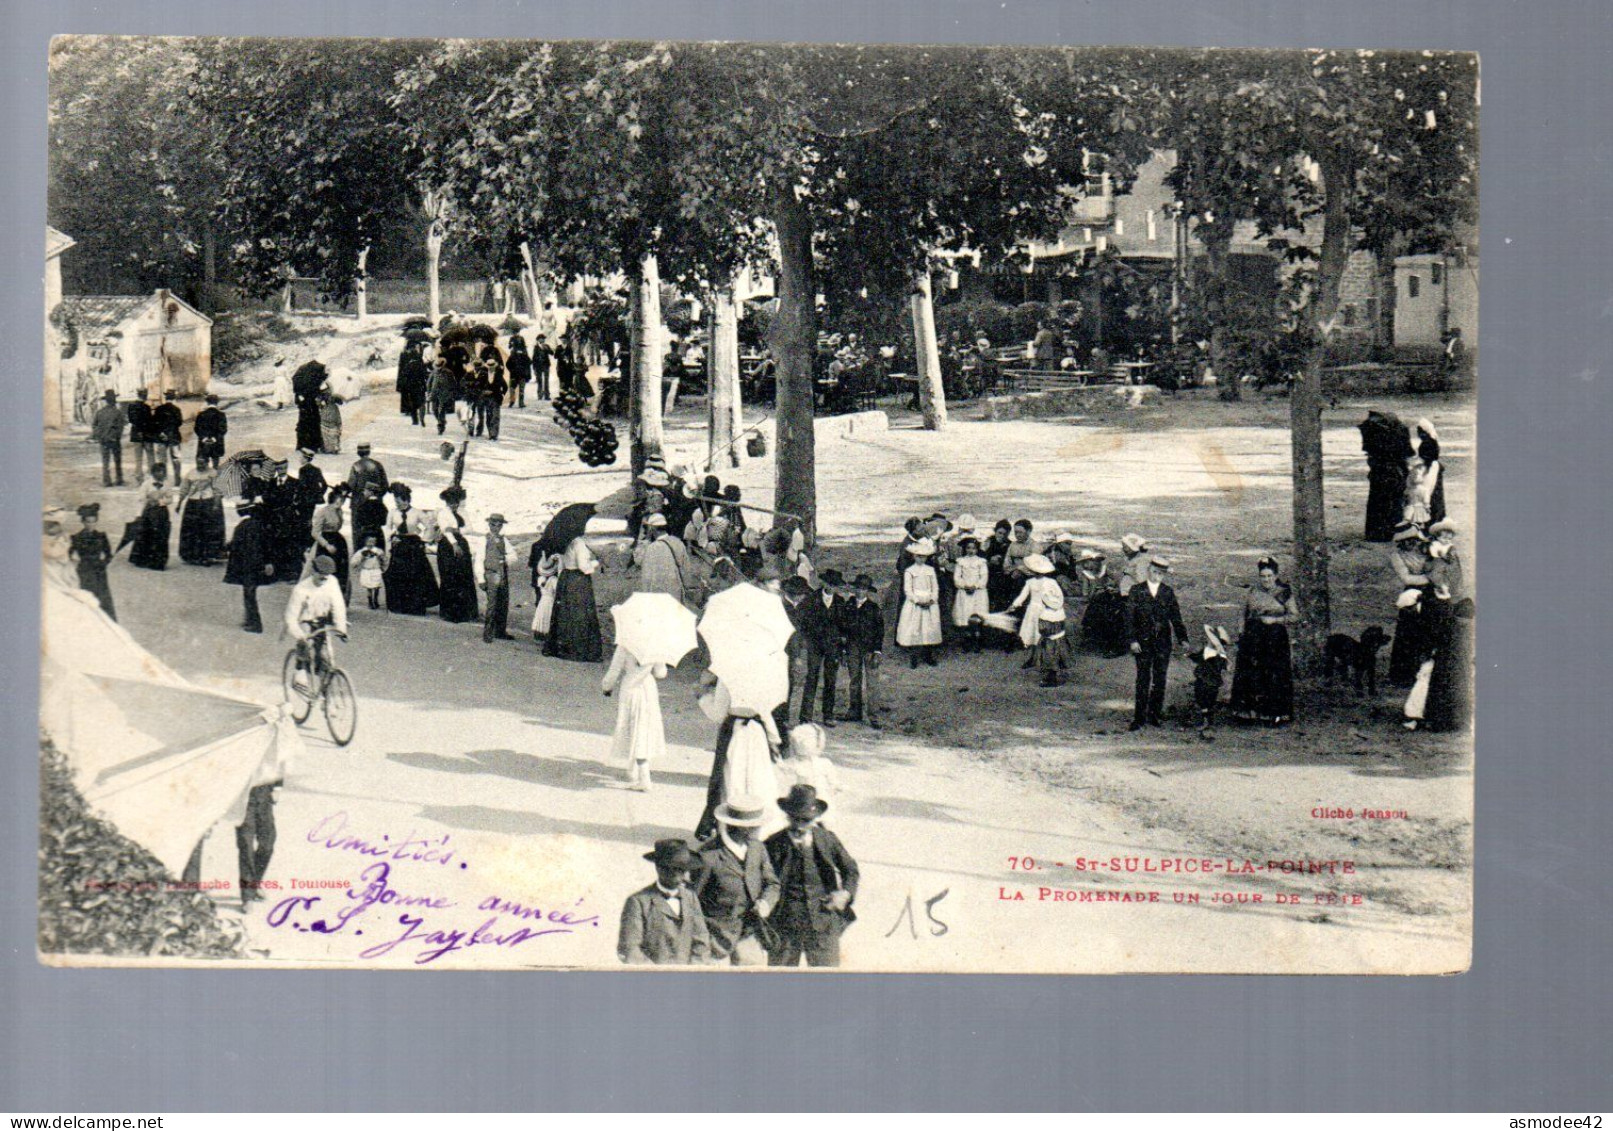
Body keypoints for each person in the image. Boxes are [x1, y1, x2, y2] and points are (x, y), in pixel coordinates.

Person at [764, 785, 858, 968]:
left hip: (822, 921)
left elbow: (851, 869)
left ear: (814, 818)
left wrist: (845, 893)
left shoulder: (827, 839)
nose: (799, 825)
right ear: (787, 816)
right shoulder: (773, 843)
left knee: (827, 980)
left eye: (805, 820)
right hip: (785, 924)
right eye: (795, 819)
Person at [692, 797, 780, 965]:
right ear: (744, 829)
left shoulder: (757, 848)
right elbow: (692, 900)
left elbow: (772, 883)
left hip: (749, 935)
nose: (761, 828)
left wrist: (766, 903)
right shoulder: (708, 855)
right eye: (757, 824)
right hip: (715, 941)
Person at [1228, 556, 1299, 726]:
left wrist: (1275, 620)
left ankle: (1274, 714)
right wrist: (1241, 633)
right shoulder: (1253, 592)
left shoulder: (1284, 592)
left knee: (1273, 672)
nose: (1266, 580)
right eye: (1263, 576)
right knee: (1251, 672)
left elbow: (1294, 615)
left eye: (1269, 576)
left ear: (1275, 576)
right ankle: (1248, 713)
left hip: (1275, 638)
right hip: (1253, 637)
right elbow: (1243, 614)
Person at [617, 839, 710, 965]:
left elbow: (702, 940)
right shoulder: (638, 902)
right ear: (658, 868)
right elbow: (630, 948)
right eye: (670, 869)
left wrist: (693, 970)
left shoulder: (691, 898)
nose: (677, 875)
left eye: (682, 870)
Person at [1125, 556, 1190, 730]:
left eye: (1161, 573)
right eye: (1154, 571)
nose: (1157, 576)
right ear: (1148, 570)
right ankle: (1139, 718)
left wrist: (1183, 638)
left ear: (1164, 575)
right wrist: (1132, 640)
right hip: (1142, 643)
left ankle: (1155, 714)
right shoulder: (1136, 591)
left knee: (1160, 679)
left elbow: (1176, 617)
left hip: (1162, 643)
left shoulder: (1167, 592)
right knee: (1143, 679)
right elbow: (1129, 618)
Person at [602, 642, 669, 792]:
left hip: (631, 688)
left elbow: (614, 670)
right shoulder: (656, 645)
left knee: (633, 728)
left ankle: (644, 778)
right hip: (648, 689)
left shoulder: (625, 644)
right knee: (644, 727)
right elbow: (661, 673)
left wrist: (607, 687)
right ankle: (633, 769)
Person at [1008, 553, 1071, 687]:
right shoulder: (1030, 582)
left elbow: (1058, 597)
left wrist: (1053, 605)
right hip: (1033, 611)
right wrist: (1015, 605)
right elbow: (1023, 596)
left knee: (1044, 639)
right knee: (1032, 636)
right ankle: (1033, 658)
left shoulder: (1051, 582)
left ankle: (1047, 665)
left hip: (1047, 612)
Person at [544, 532, 603, 662]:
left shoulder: (564, 541)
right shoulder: (579, 543)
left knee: (565, 612)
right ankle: (578, 648)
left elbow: (562, 563)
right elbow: (583, 567)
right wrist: (596, 562)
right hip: (578, 579)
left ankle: (562, 646)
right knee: (580, 612)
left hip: (566, 578)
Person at [797, 568, 846, 726]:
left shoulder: (840, 602)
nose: (831, 587)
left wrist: (841, 643)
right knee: (812, 677)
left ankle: (828, 715)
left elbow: (843, 625)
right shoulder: (811, 599)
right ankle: (805, 717)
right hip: (815, 644)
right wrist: (807, 639)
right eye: (829, 584)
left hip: (833, 645)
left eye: (835, 585)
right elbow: (803, 622)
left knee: (831, 679)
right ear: (823, 582)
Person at [1387, 524, 1433, 686]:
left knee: (1428, 632)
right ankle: (1404, 675)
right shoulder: (1396, 556)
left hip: (1430, 593)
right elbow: (1406, 578)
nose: (1409, 544)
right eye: (1405, 541)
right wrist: (1432, 578)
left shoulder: (1426, 549)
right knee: (1408, 633)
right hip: (1411, 594)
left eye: (1412, 540)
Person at [382, 484, 439, 615]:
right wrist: (392, 537)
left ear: (406, 500)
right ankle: (398, 605)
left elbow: (429, 527)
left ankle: (414, 606)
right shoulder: (392, 512)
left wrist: (424, 540)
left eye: (398, 501)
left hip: (413, 545)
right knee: (397, 575)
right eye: (395, 501)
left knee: (415, 575)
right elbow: (388, 528)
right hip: (399, 544)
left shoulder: (417, 513)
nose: (396, 503)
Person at [1422, 597, 1475, 733]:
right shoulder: (1464, 630)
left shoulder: (1448, 625)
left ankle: (1439, 722)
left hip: (1446, 665)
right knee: (1454, 693)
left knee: (1443, 692)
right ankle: (1453, 722)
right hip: (1456, 667)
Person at [838, 575, 885, 729]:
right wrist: (844, 651)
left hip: (870, 649)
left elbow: (879, 631)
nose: (860, 591)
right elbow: (843, 629)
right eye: (858, 588)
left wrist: (877, 651)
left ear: (867, 591)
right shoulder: (848, 606)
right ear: (854, 588)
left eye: (863, 589)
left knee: (872, 683)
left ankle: (873, 716)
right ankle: (854, 711)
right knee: (854, 681)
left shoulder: (874, 608)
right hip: (852, 648)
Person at [1358, 410, 1412, 542]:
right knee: (1392, 503)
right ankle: (1390, 531)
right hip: (1393, 473)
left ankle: (1376, 533)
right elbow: (1406, 453)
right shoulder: (1398, 432)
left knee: (1378, 503)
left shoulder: (1373, 433)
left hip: (1381, 473)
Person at [223, 500, 272, 633]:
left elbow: (235, 544)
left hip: (247, 564)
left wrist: (224, 547)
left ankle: (255, 623)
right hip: (257, 564)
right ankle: (250, 620)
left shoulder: (242, 526)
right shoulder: (259, 524)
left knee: (249, 594)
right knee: (251, 593)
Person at [433, 486, 479, 624]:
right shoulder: (442, 513)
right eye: (450, 502)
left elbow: (469, 528)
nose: (453, 505)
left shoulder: (463, 512)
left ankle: (465, 612)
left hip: (461, 543)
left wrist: (456, 530)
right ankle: (449, 612)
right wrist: (454, 543)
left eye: (455, 501)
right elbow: (444, 530)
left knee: (464, 575)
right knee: (449, 576)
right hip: (447, 546)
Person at [896, 537, 943, 668]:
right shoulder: (910, 571)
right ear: (913, 556)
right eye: (918, 556)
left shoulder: (930, 570)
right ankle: (914, 657)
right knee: (914, 629)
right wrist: (917, 601)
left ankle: (928, 655)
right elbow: (908, 590)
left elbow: (935, 587)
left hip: (929, 602)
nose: (921, 559)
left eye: (923, 556)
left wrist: (932, 599)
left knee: (928, 629)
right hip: (915, 604)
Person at [633, 513, 691, 607]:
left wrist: (645, 539)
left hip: (657, 597)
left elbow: (638, 561)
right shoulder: (678, 542)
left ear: (652, 529)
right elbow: (687, 569)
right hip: (675, 594)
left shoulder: (650, 548)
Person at [69, 503, 116, 618]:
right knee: (87, 596)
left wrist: (103, 563)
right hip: (84, 571)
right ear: (83, 522)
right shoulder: (76, 537)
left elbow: (109, 555)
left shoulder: (101, 536)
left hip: (99, 571)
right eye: (88, 522)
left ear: (96, 522)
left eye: (93, 521)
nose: (91, 524)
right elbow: (67, 555)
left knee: (103, 598)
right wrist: (74, 564)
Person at [1076, 549, 1127, 655]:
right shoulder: (1086, 575)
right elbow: (1086, 593)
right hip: (1095, 598)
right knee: (1097, 612)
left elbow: (1116, 579)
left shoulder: (1104, 570)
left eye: (1098, 562)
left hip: (1106, 595)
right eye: (1093, 562)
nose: (1096, 564)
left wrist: (1113, 586)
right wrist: (1094, 591)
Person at [778, 723, 841, 803]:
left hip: (797, 803)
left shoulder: (788, 764)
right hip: (820, 802)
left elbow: (782, 787)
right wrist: (834, 788)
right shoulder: (825, 764)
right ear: (819, 744)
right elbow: (834, 783)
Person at [126, 464, 173, 571]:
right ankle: (143, 559)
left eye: (162, 472)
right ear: (153, 473)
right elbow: (140, 499)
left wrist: (160, 502)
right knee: (146, 534)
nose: (161, 474)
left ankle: (158, 562)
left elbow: (170, 499)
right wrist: (139, 513)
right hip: (149, 512)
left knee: (160, 535)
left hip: (162, 513)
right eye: (158, 471)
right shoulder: (146, 484)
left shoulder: (167, 484)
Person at [176, 467, 226, 566]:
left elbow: (218, 490)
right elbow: (184, 489)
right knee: (192, 529)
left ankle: (208, 555)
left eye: (203, 462)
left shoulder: (213, 473)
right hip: (193, 503)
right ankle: (192, 555)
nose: (200, 464)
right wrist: (179, 503)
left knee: (208, 529)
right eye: (198, 461)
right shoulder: (191, 473)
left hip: (208, 502)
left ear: (207, 462)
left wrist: (216, 504)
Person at [310, 484, 351, 598]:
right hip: (326, 543)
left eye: (343, 499)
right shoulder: (323, 511)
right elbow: (315, 532)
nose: (341, 501)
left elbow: (338, 527)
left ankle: (337, 598)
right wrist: (326, 545)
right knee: (325, 570)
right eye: (339, 498)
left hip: (338, 542)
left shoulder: (340, 512)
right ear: (333, 497)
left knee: (340, 570)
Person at [1191, 626, 1234, 735]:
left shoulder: (1206, 653)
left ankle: (1204, 720)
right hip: (1213, 683)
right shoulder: (1220, 656)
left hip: (1202, 682)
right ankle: (1209, 721)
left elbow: (1195, 657)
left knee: (1202, 701)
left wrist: (1189, 654)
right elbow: (1227, 667)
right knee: (1210, 702)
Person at [951, 536, 990, 651]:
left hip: (978, 593)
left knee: (977, 615)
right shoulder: (961, 561)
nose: (971, 551)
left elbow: (984, 577)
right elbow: (957, 577)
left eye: (973, 548)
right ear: (965, 549)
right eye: (968, 548)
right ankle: (967, 642)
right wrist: (964, 586)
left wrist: (975, 586)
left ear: (977, 549)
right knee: (965, 615)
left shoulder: (981, 562)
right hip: (964, 592)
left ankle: (977, 641)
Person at [1404, 419, 1444, 528]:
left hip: (1430, 469)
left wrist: (1419, 465)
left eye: (1421, 432)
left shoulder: (1428, 442)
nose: (1419, 434)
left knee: (1426, 492)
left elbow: (1429, 458)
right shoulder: (1430, 440)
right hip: (1431, 467)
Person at [482, 513, 515, 642]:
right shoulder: (483, 539)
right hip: (490, 573)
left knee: (503, 601)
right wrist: (480, 578)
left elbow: (513, 555)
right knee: (492, 603)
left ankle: (500, 631)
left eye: (499, 525)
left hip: (502, 573)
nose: (496, 528)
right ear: (489, 524)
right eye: (493, 524)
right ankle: (488, 632)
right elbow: (479, 559)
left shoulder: (503, 540)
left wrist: (505, 559)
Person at [91, 390, 126, 487]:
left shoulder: (100, 412)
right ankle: (119, 479)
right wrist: (117, 436)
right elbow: (121, 427)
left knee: (105, 461)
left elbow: (94, 425)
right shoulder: (118, 413)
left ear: (106, 401)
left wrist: (99, 436)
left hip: (103, 440)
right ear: (114, 400)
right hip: (114, 440)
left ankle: (106, 481)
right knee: (117, 460)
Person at [529, 544, 560, 642]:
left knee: (541, 615)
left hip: (543, 600)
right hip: (550, 600)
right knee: (549, 616)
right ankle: (548, 635)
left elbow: (531, 563)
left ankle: (539, 634)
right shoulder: (554, 580)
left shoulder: (541, 578)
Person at [152, 390, 184, 482]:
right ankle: (177, 480)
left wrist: (162, 432)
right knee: (176, 459)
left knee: (162, 460)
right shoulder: (176, 409)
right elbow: (179, 423)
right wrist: (170, 432)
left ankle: (163, 479)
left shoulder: (159, 409)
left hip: (161, 438)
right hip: (174, 437)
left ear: (165, 398)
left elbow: (154, 424)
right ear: (174, 398)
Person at [351, 482, 390, 560]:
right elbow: (384, 522)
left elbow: (359, 521)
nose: (364, 492)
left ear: (370, 492)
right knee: (378, 558)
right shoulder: (382, 506)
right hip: (378, 534)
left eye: (365, 490)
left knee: (364, 559)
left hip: (365, 534)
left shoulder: (362, 506)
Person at [984, 518, 1016, 610]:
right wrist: (990, 561)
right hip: (987, 572)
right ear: (995, 531)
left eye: (1005, 534)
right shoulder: (987, 542)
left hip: (1002, 574)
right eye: (1000, 533)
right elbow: (980, 559)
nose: (1002, 536)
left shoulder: (1010, 544)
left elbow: (1010, 562)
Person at [126, 388, 155, 485]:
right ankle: (151, 477)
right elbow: (150, 422)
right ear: (145, 396)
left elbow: (130, 420)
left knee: (138, 458)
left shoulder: (131, 406)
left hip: (136, 434)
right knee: (150, 457)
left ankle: (139, 478)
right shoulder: (146, 407)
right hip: (147, 434)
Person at [351, 534, 388, 610]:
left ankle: (375, 600)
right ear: (365, 542)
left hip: (376, 570)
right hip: (366, 570)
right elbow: (354, 562)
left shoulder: (378, 551)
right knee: (369, 587)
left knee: (377, 586)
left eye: (373, 542)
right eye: (369, 541)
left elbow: (384, 560)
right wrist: (362, 557)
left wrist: (381, 559)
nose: (371, 543)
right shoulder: (361, 552)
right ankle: (370, 601)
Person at [193, 394, 227, 471]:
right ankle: (215, 478)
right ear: (217, 402)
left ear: (207, 402)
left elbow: (197, 428)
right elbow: (223, 429)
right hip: (216, 442)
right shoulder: (221, 415)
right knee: (216, 462)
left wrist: (204, 438)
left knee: (204, 462)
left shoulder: (201, 414)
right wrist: (214, 438)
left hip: (203, 442)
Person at [505, 335, 532, 407]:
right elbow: (529, 362)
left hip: (515, 373)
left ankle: (513, 401)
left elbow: (508, 363)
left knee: (513, 388)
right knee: (519, 389)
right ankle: (519, 402)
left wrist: (511, 370)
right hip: (520, 373)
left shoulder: (513, 351)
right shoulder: (523, 351)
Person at [317, 390, 343, 454]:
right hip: (325, 413)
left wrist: (334, 398)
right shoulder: (321, 394)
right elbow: (318, 403)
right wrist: (322, 401)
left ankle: (335, 447)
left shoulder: (335, 393)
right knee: (325, 433)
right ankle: (328, 448)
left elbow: (340, 402)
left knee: (334, 432)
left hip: (333, 412)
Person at [531, 334, 554, 401]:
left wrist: (548, 349)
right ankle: (540, 395)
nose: (543, 340)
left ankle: (547, 395)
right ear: (538, 340)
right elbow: (534, 358)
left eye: (543, 339)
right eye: (541, 339)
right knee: (539, 380)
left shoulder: (546, 346)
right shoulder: (536, 347)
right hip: (538, 366)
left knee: (546, 381)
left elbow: (552, 353)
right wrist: (534, 367)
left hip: (546, 365)